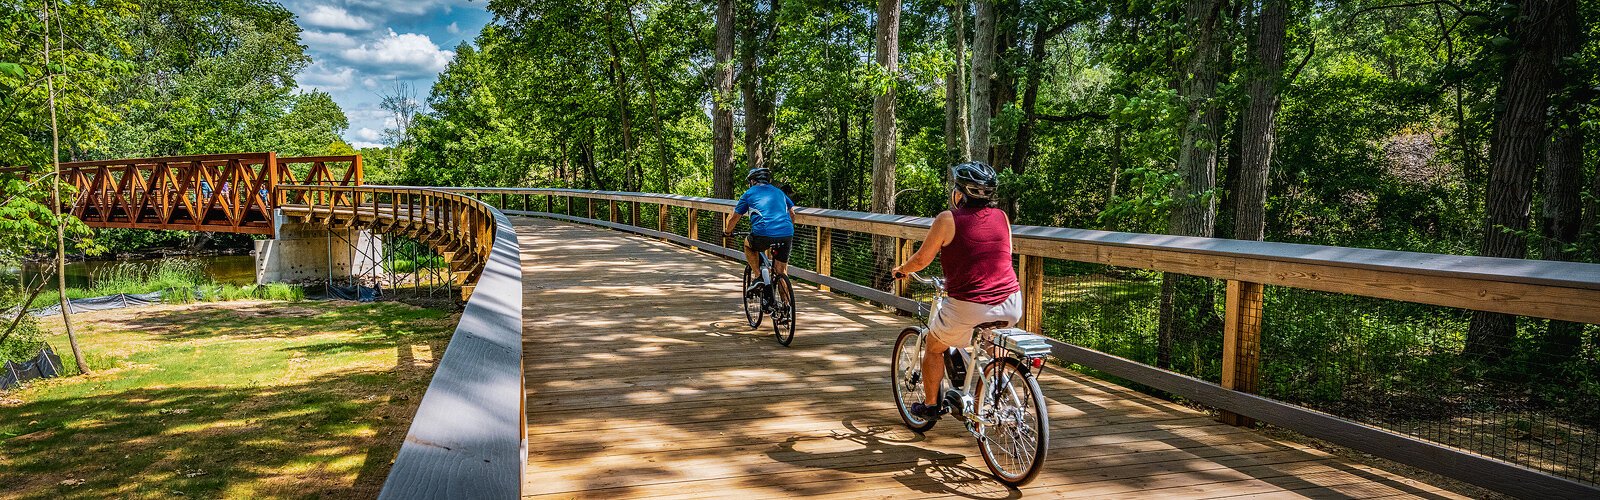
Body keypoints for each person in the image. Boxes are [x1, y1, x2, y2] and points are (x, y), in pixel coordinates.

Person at [891, 161, 1021, 420]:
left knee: (935, 346)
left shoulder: (947, 219)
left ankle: (930, 406)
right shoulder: (1002, 217)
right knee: (994, 347)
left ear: (959, 193)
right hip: (1010, 301)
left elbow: (921, 260)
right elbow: (1002, 254)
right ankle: (1002, 398)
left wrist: (902, 270)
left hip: (968, 306)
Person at [724, 167, 797, 298]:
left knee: (748, 244)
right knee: (781, 271)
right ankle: (786, 310)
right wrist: (788, 228)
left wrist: (727, 232)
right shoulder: (779, 192)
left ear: (752, 181)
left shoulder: (749, 194)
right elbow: (792, 212)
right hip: (786, 232)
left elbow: (734, 217)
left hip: (763, 233)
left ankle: (758, 277)